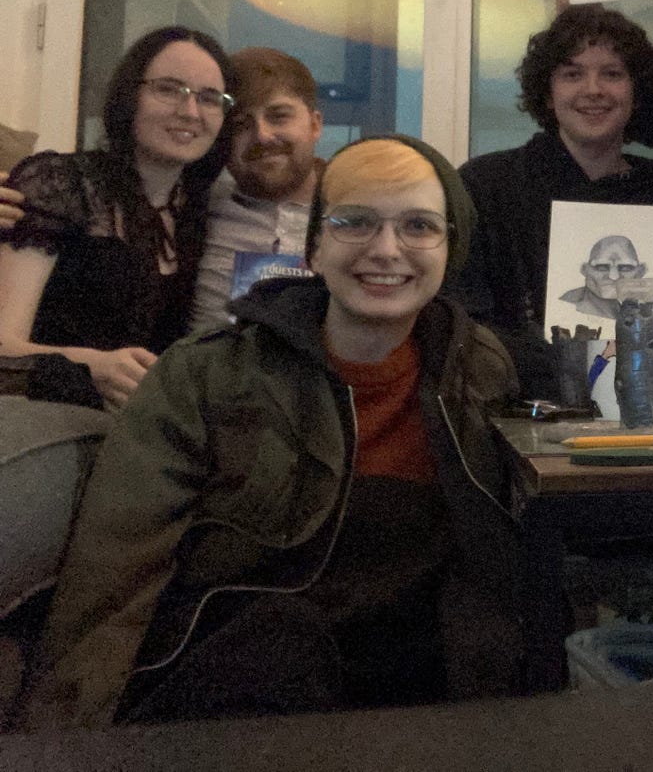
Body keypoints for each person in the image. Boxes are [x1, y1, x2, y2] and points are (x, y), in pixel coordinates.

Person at [22, 135, 524, 728]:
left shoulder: (482, 372)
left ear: (450, 249)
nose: (387, 250)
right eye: (354, 222)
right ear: (314, 247)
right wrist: (69, 735)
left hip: (420, 696)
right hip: (242, 692)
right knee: (282, 638)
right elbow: (113, 577)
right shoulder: (204, 376)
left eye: (419, 226)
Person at [455, 4, 653, 359]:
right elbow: (459, 329)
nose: (593, 89)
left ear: (636, 93)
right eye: (572, 74)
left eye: (612, 74)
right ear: (547, 93)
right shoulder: (484, 189)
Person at [0, 26, 235, 409]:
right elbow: (3, 348)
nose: (190, 112)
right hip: (50, 423)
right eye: (168, 89)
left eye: (209, 98)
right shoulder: (60, 184)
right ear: (130, 97)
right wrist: (91, 365)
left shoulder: (203, 210)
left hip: (145, 431)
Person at [189, 46, 325, 331]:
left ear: (315, 125)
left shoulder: (354, 217)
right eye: (241, 125)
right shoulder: (191, 212)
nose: (262, 135)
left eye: (278, 116)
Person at [559, 234, 646, 319]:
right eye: (602, 267)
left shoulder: (648, 303)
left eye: (625, 268)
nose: (614, 277)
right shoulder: (566, 304)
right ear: (585, 270)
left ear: (641, 271)